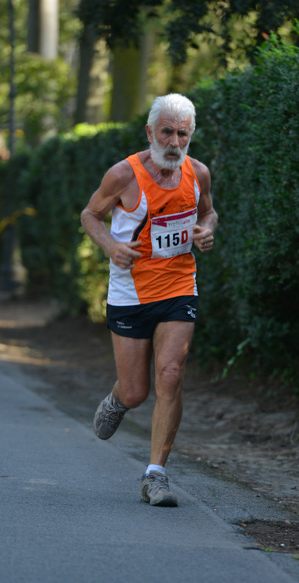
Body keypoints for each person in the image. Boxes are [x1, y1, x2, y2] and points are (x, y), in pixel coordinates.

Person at [80, 93, 217, 507]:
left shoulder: (199, 173)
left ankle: (155, 474)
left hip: (178, 285)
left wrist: (207, 230)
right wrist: (109, 245)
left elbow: (208, 213)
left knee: (171, 373)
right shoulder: (124, 174)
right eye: (167, 133)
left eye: (183, 134)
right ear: (150, 133)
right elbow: (90, 214)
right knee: (138, 391)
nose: (175, 142)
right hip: (131, 291)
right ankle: (119, 399)